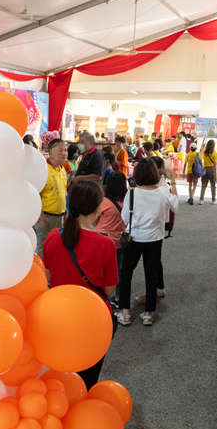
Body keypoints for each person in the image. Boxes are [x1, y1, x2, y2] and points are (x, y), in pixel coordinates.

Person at [42, 180, 119, 388]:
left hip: (57, 318)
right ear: (97, 208)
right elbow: (109, 290)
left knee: (59, 376)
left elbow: (47, 277)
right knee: (86, 380)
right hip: (92, 321)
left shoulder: (53, 237)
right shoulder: (105, 244)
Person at [118, 159, 174, 326]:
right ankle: (149, 313)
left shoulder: (132, 193)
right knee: (151, 274)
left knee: (126, 273)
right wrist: (173, 182)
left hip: (134, 238)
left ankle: (125, 312)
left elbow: (124, 218)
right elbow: (175, 207)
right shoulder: (162, 192)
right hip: (155, 239)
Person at [34, 138, 69, 253]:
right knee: (43, 247)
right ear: (50, 151)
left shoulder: (62, 170)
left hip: (60, 217)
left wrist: (65, 211)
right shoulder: (43, 169)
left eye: (65, 150)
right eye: (60, 150)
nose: (64, 153)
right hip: (46, 217)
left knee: (57, 247)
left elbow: (63, 192)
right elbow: (35, 193)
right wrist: (40, 214)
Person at [95, 173, 128, 248]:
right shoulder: (128, 202)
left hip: (103, 239)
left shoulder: (103, 202)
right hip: (120, 241)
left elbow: (94, 220)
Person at [200, 138, 217, 203]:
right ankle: (213, 200)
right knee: (213, 185)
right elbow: (215, 164)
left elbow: (201, 157)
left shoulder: (205, 152)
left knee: (204, 185)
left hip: (205, 169)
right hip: (211, 169)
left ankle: (201, 200)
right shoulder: (214, 152)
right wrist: (216, 173)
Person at [184, 140, 201, 205]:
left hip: (189, 172)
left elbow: (185, 163)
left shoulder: (188, 154)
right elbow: (200, 163)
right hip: (196, 172)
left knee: (190, 185)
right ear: (196, 148)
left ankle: (190, 197)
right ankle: (192, 197)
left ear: (190, 148)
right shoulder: (197, 154)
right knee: (195, 185)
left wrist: (183, 171)